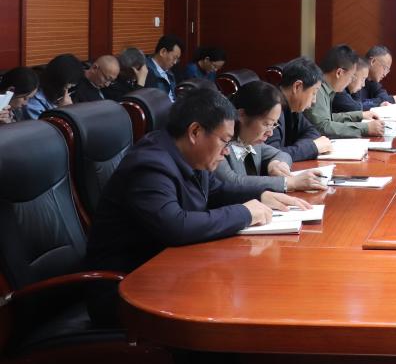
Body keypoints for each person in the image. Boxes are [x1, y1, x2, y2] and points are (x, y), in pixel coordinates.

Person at [85, 85, 310, 323]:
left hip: (169, 272)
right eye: (224, 141)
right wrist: (244, 213)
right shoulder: (150, 166)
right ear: (195, 132)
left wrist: (263, 195)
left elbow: (217, 190)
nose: (227, 151)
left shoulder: (188, 154)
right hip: (127, 291)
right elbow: (175, 226)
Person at [216, 80, 328, 193]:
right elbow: (232, 182)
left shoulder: (252, 141)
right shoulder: (219, 146)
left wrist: (276, 164)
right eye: (267, 124)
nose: (270, 133)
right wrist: (289, 183)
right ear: (242, 115)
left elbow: (281, 154)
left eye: (274, 125)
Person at [306, 45, 384, 138]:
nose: (350, 81)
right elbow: (322, 127)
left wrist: (359, 115)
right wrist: (365, 128)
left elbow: (328, 118)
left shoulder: (327, 89)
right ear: (339, 73)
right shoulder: (317, 90)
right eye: (351, 77)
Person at [265, 56, 333, 162]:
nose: (314, 100)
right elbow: (272, 155)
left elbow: (312, 131)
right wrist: (312, 147)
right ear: (297, 86)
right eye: (314, 93)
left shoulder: (294, 107)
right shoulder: (271, 108)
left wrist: (298, 148)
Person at [24, 53, 83, 119]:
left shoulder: (63, 94)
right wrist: (63, 111)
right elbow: (43, 125)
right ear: (58, 81)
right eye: (66, 87)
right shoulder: (34, 101)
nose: (67, 92)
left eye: (71, 87)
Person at [144, 34, 182, 101]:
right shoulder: (147, 72)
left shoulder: (170, 72)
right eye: (174, 58)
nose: (175, 62)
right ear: (163, 52)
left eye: (177, 59)